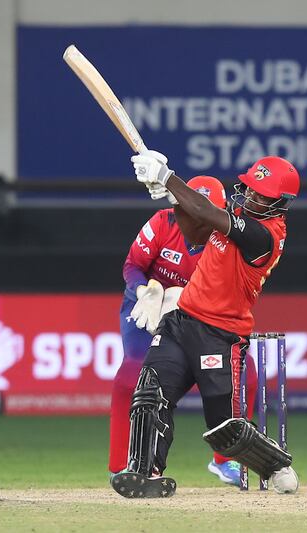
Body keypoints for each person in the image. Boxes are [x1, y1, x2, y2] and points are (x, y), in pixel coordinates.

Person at [110, 150, 300, 498]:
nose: (252, 197)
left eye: (262, 196)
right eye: (250, 190)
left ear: (280, 204)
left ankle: (275, 463)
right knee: (150, 393)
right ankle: (142, 473)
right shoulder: (237, 212)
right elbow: (194, 224)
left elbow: (205, 212)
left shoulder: (265, 236)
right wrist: (170, 197)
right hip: (181, 320)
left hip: (221, 334)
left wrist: (168, 177)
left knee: (224, 431)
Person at [109, 175, 258, 488]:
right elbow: (132, 265)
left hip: (195, 312)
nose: (196, 220)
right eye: (189, 211)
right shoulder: (162, 222)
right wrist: (143, 291)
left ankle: (225, 460)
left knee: (248, 375)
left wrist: (181, 297)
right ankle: (122, 465)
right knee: (131, 374)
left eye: (203, 212)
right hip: (147, 304)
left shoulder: (227, 240)